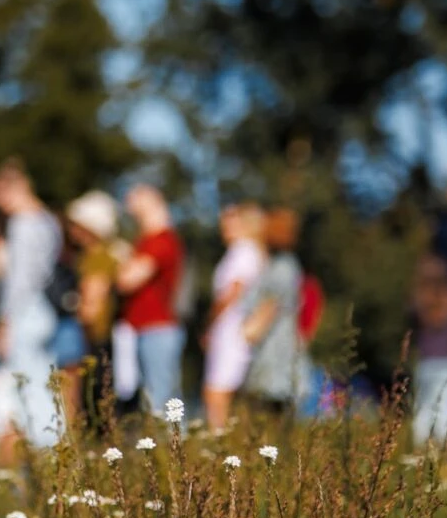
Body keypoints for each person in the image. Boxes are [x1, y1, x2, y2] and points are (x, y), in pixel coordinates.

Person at [0, 158, 64, 454]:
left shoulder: (23, 224)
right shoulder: (49, 221)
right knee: (41, 382)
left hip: (25, 313)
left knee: (21, 385)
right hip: (44, 311)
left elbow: (19, 279)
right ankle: (50, 447)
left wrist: (4, 321)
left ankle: (33, 450)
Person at [117, 184, 186, 415]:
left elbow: (128, 280)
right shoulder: (148, 241)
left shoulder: (161, 240)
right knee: (155, 396)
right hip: (145, 328)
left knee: (162, 398)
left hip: (157, 328)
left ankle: (173, 447)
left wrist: (120, 266)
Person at [61, 191, 122, 435]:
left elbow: (92, 304)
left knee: (97, 398)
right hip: (96, 335)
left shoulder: (97, 257)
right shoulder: (97, 255)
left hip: (94, 336)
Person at [202, 203, 267, 431]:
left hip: (231, 327)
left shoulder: (243, 251)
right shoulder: (246, 251)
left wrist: (210, 322)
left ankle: (218, 439)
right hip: (233, 327)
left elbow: (233, 291)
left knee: (217, 390)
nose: (225, 227)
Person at [242, 208, 306, 415]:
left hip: (275, 346)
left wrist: (248, 332)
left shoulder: (282, 267)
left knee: (271, 407)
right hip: (276, 343)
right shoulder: (280, 264)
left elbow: (270, 306)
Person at [410, 252, 447, 448]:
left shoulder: (419, 303)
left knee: (423, 407)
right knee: (446, 408)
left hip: (426, 362)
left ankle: (418, 443)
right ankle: (445, 447)